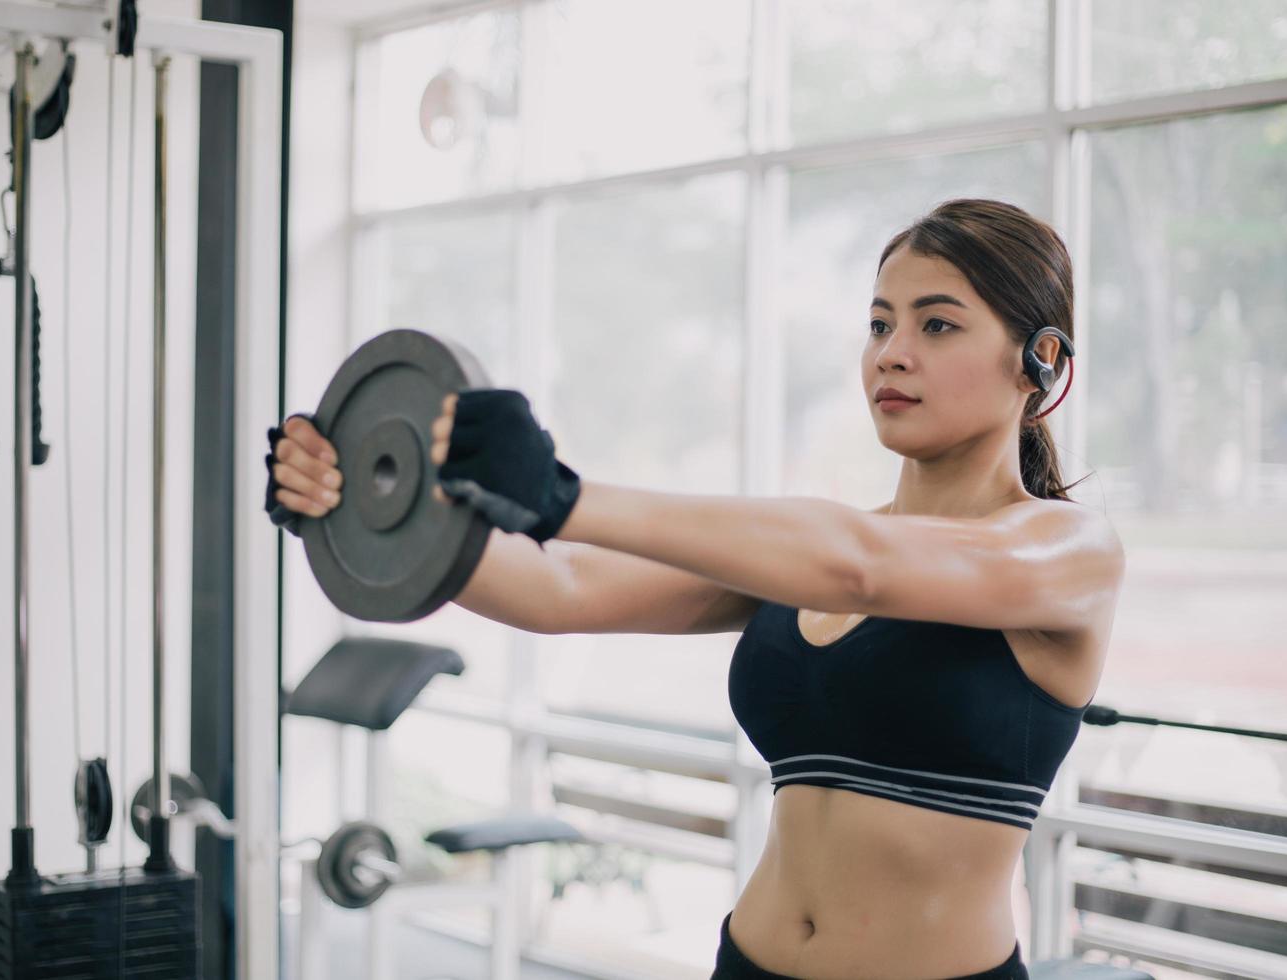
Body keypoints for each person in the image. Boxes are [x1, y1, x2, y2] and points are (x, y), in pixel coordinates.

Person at [266, 197, 1125, 980]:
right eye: (878, 323)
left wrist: (564, 495)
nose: (891, 354)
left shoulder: (1067, 552)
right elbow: (557, 586)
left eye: (938, 326)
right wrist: (368, 503)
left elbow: (867, 565)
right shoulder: (802, 553)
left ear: (1041, 364)